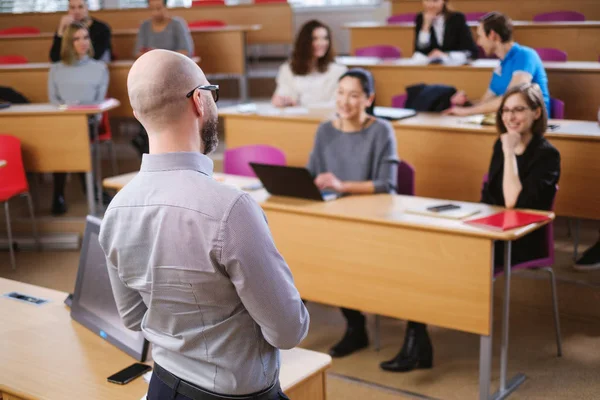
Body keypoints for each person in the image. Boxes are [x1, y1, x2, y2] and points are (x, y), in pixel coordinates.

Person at [99, 49, 309, 400]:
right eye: (211, 92)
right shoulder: (231, 209)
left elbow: (134, 319)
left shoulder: (116, 209)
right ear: (199, 100)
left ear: (137, 115)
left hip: (164, 388)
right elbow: (288, 332)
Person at [381, 83, 560, 372]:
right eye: (506, 111)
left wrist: (510, 152)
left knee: (446, 259)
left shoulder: (546, 154)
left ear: (537, 112)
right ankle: (417, 340)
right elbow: (490, 198)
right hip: (492, 228)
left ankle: (419, 343)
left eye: (519, 110)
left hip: (523, 238)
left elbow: (515, 203)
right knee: (426, 253)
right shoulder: (500, 144)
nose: (511, 117)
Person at [307, 68, 399, 358]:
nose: (345, 101)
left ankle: (356, 325)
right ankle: (294, 319)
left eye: (354, 95)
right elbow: (312, 174)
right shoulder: (324, 130)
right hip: (332, 216)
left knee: (338, 250)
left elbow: (387, 184)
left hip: (370, 219)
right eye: (341, 93)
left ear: (369, 99)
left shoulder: (381, 130)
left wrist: (342, 184)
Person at [48, 22, 109, 215]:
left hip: (89, 122)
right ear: (68, 42)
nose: (83, 42)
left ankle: (59, 194)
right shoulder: (56, 69)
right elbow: (54, 100)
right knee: (63, 137)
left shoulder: (99, 68)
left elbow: (99, 102)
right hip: (63, 121)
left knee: (71, 137)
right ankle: (89, 188)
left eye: (85, 37)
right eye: (77, 38)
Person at [444, 12, 551, 117]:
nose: (478, 43)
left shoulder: (525, 56)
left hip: (533, 124)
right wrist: (466, 104)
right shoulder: (501, 64)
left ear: (492, 35)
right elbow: (486, 101)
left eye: (480, 36)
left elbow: (512, 99)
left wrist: (466, 112)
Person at [272, 20, 347, 108]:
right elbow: (283, 93)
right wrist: (282, 100)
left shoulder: (338, 70)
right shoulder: (287, 69)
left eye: (325, 38)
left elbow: (337, 102)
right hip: (296, 117)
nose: (321, 43)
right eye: (315, 39)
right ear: (304, 42)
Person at [413, 0, 478, 63]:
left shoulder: (457, 18)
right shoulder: (420, 18)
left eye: (435, 1)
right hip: (430, 68)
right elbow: (419, 51)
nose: (430, 5)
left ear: (444, 1)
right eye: (427, 0)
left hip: (454, 66)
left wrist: (446, 55)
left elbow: (471, 52)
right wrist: (426, 26)